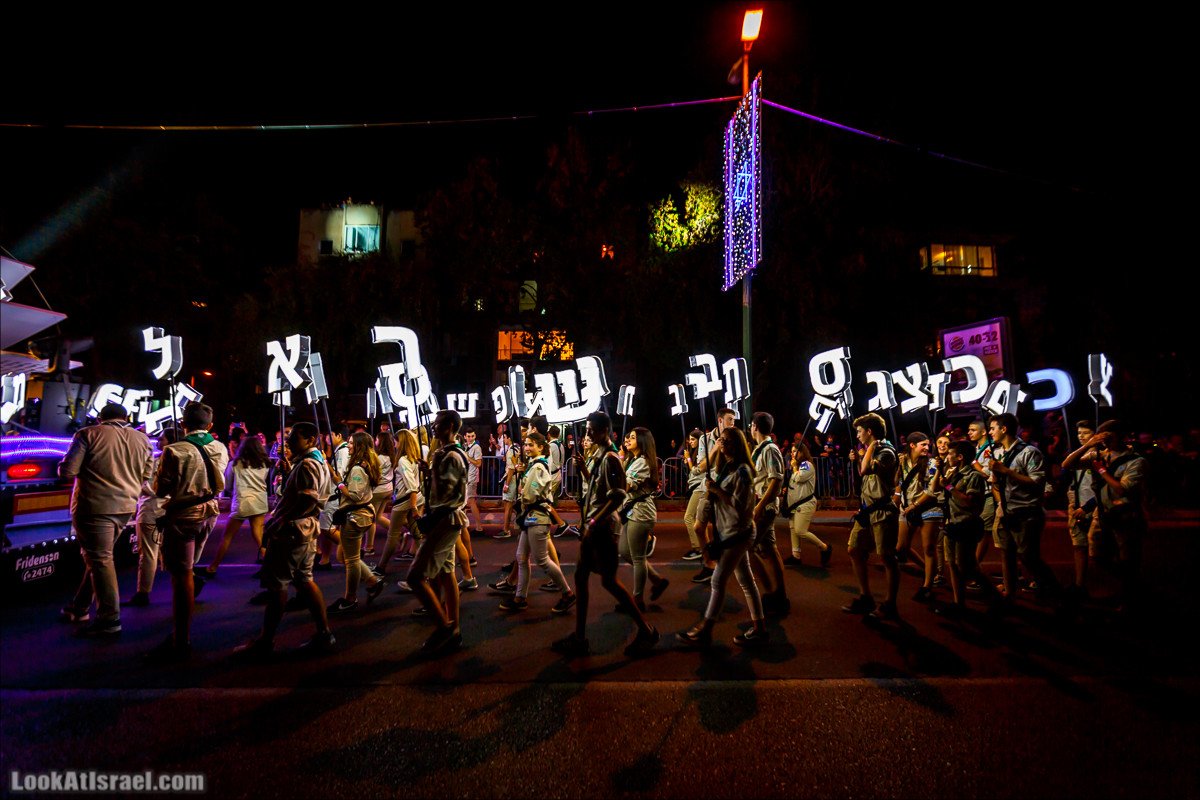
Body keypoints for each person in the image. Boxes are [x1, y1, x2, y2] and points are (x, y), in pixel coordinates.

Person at [552, 411, 659, 658]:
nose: (587, 434)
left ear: (605, 432)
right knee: (580, 576)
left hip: (603, 529)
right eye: (587, 430)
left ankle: (646, 630)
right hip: (593, 527)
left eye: (592, 430)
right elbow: (598, 490)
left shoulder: (611, 458)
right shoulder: (598, 455)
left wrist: (593, 522)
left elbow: (619, 495)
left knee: (609, 581)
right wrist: (583, 472)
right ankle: (579, 638)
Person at [231, 422, 336, 661]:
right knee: (305, 581)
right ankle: (324, 633)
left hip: (293, 531)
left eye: (293, 439)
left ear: (310, 440)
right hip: (304, 530)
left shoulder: (308, 464)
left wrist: (283, 519)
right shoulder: (314, 462)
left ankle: (265, 641)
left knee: (278, 586)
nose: (287, 443)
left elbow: (307, 499)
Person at [58, 403, 155, 636]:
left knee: (100, 559)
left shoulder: (87, 434)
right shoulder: (142, 440)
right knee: (98, 557)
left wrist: (64, 465)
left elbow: (68, 472)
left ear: (100, 418)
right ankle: (80, 606)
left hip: (94, 507)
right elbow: (147, 476)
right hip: (125, 507)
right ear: (126, 417)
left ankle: (109, 618)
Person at [146, 403, 229, 663]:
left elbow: (161, 489)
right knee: (187, 570)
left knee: (181, 577)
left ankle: (181, 639)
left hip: (183, 515)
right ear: (210, 425)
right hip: (210, 513)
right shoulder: (220, 447)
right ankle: (180, 633)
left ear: (183, 424)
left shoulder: (173, 451)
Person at [676, 425, 768, 648]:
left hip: (738, 533)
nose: (722, 444)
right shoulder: (725, 467)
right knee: (746, 580)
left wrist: (717, 491)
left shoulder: (744, 471)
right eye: (721, 440)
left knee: (718, 580)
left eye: (727, 441)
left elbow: (741, 505)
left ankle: (706, 629)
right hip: (729, 532)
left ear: (737, 444)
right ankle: (760, 629)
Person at [1063, 419, 1147, 613]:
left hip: (1127, 517)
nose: (1106, 441)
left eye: (1110, 437)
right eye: (1103, 437)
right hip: (1103, 515)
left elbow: (1122, 489)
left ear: (1121, 437)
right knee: (1098, 555)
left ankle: (1131, 600)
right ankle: (1134, 585)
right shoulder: (1099, 454)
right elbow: (1067, 464)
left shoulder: (1135, 461)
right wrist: (1088, 446)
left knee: (1128, 560)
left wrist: (1101, 469)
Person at [406, 409, 469, 654]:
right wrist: (430, 469)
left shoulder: (450, 456)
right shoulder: (443, 454)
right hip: (445, 520)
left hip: (444, 522)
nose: (434, 427)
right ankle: (453, 627)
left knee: (415, 577)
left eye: (439, 424)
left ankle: (444, 627)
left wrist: (429, 520)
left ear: (451, 426)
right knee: (445, 573)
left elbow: (450, 498)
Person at [987, 412, 1064, 608]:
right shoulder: (996, 452)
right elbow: (995, 483)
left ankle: (1057, 593)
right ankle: (1009, 595)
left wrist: (1007, 471)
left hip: (1026, 513)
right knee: (1006, 554)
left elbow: (1037, 482)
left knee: (1028, 556)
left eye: (993, 428)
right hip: (1006, 512)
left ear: (1004, 429)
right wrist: (1000, 505)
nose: (990, 432)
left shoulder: (1029, 452)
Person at [498, 431, 576, 614]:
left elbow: (532, 493)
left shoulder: (538, 467)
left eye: (531, 445)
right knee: (522, 557)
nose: (527, 448)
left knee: (542, 560)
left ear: (541, 447)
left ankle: (567, 593)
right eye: (526, 445)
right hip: (531, 518)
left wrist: (522, 494)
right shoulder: (534, 465)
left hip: (537, 518)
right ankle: (520, 597)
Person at [929, 440, 1005, 616]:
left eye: (950, 454)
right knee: (954, 565)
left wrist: (948, 486)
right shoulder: (952, 472)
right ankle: (958, 603)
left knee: (966, 567)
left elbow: (969, 502)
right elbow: (935, 488)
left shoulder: (974, 477)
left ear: (960, 457)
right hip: (952, 523)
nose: (947, 457)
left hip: (966, 524)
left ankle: (996, 598)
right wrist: (941, 472)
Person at [842, 412, 901, 621]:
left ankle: (890, 603)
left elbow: (865, 469)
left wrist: (864, 456)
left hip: (883, 510)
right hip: (867, 510)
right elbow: (862, 470)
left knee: (887, 557)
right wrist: (859, 457)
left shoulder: (886, 452)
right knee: (854, 549)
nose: (857, 436)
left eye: (859, 431)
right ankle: (865, 596)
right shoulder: (869, 450)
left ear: (870, 432)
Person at [325, 432, 385, 613]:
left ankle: (350, 598)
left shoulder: (359, 468)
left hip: (355, 517)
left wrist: (339, 483)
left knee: (350, 560)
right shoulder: (363, 465)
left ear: (359, 446)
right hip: (359, 515)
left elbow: (355, 495)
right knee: (343, 556)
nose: (348, 446)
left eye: (351, 443)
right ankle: (372, 581)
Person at [197, 436, 270, 577]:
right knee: (259, 537)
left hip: (243, 502)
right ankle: (269, 566)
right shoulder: (264, 464)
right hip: (260, 502)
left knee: (227, 536)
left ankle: (213, 567)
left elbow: (228, 485)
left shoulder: (235, 464)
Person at [123, 428, 180, 608]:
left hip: (152, 510)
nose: (157, 441)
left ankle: (143, 593)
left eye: (161, 439)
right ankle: (185, 585)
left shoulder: (158, 462)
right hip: (171, 511)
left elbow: (149, 486)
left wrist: (137, 484)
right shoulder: (183, 461)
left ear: (169, 441)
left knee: (148, 553)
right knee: (169, 551)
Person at [617, 427, 669, 610]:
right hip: (632, 511)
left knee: (638, 557)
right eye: (627, 436)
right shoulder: (634, 460)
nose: (627, 439)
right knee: (625, 551)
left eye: (632, 437)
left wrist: (616, 466)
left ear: (643, 441)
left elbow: (627, 486)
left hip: (641, 512)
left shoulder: (643, 462)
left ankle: (637, 601)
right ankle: (657, 579)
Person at [689, 408, 739, 586]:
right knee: (698, 527)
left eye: (734, 420)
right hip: (709, 488)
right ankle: (709, 563)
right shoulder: (705, 439)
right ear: (720, 421)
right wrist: (716, 449)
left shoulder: (736, 437)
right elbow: (702, 467)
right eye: (730, 420)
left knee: (726, 531)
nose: (733, 423)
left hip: (727, 489)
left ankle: (724, 568)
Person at [748, 411, 789, 614]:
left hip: (765, 507)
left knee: (748, 547)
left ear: (755, 426)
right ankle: (780, 595)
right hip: (763, 505)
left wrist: (760, 506)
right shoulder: (761, 449)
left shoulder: (770, 449)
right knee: (770, 549)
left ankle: (770, 592)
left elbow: (776, 480)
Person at [895, 432, 941, 602]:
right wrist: (898, 467)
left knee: (928, 547)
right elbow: (897, 484)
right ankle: (929, 570)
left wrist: (915, 505)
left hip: (928, 506)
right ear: (912, 445)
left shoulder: (931, 464)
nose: (927, 448)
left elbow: (932, 491)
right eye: (923, 444)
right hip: (907, 508)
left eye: (928, 445)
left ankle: (927, 585)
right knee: (901, 547)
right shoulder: (902, 461)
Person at [375, 428, 425, 577]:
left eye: (396, 442)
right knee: (417, 534)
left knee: (392, 535)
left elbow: (411, 485)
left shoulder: (403, 460)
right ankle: (424, 564)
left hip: (406, 500)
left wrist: (414, 507)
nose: (394, 445)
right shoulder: (413, 458)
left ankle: (381, 567)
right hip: (412, 499)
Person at [1061, 420, 1099, 598]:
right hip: (1076, 506)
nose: (1081, 436)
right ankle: (1079, 584)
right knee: (1079, 546)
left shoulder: (1100, 454)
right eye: (1079, 433)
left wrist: (1087, 506)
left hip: (1094, 507)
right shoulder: (1076, 454)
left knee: (1099, 552)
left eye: (1085, 433)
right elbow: (1066, 472)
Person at [783, 441, 829, 567]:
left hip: (805, 503)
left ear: (802, 453)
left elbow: (800, 478)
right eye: (791, 451)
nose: (792, 454)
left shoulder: (806, 465)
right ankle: (795, 555)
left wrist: (794, 467)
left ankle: (824, 548)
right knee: (793, 529)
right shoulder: (798, 466)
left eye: (795, 451)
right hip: (795, 504)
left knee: (800, 530)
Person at [966, 419, 997, 587]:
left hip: (989, 494)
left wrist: (973, 463)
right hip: (978, 495)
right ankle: (974, 567)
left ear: (983, 432)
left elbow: (987, 474)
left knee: (984, 532)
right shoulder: (977, 448)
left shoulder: (991, 449)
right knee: (976, 533)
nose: (969, 433)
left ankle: (975, 569)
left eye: (972, 430)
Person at [315, 424, 351, 570]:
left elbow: (338, 475)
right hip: (332, 494)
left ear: (339, 436)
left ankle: (348, 547)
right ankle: (324, 559)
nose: (327, 438)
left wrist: (324, 461)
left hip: (334, 495)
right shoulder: (339, 450)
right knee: (326, 528)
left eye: (331, 435)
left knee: (326, 528)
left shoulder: (342, 452)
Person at [367, 430, 397, 557]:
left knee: (370, 519)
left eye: (377, 439)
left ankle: (369, 547)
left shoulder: (379, 458)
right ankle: (397, 533)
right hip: (388, 489)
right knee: (378, 517)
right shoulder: (392, 456)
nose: (375, 441)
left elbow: (373, 473)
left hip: (378, 490)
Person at [680, 429, 707, 561]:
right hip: (696, 487)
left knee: (688, 517)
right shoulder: (693, 452)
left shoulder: (702, 454)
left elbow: (697, 471)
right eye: (689, 440)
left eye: (693, 439)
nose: (690, 442)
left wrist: (689, 460)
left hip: (700, 488)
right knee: (698, 520)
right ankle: (703, 547)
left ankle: (697, 548)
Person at [497, 426, 523, 539]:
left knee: (508, 505)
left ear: (509, 438)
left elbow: (512, 468)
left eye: (505, 438)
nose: (503, 440)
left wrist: (506, 484)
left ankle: (506, 529)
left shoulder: (511, 449)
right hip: (515, 478)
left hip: (511, 479)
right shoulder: (516, 448)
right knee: (511, 505)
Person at [461, 426, 485, 533]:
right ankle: (464, 525)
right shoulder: (465, 446)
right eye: (469, 436)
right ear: (465, 437)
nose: (470, 438)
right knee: (466, 502)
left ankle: (479, 527)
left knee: (471, 502)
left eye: (472, 436)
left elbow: (478, 463)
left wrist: (468, 458)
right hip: (465, 478)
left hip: (472, 478)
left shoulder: (476, 448)